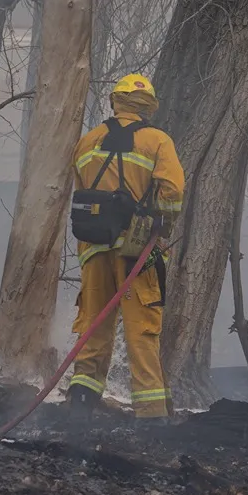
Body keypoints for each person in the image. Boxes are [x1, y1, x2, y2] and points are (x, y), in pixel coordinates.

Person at [66, 73, 184, 426]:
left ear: (115, 102)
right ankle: (151, 414)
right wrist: (161, 225)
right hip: (136, 251)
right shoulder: (157, 140)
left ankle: (81, 402)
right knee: (142, 328)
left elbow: (80, 193)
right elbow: (173, 193)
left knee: (92, 325)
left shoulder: (87, 142)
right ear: (148, 106)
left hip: (93, 249)